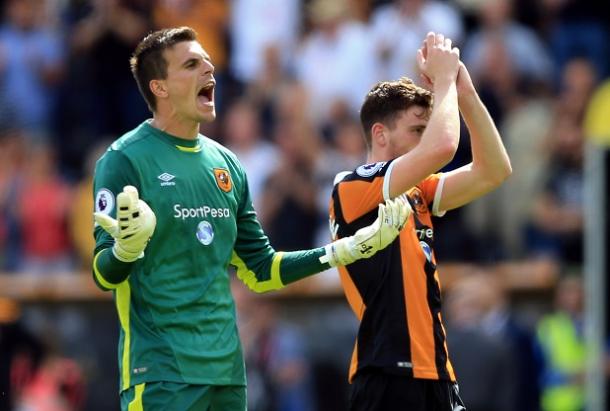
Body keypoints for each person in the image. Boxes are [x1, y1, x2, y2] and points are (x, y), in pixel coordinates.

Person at [91, 26, 411, 411]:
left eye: (208, 61)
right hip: (161, 373)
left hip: (227, 374)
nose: (209, 69)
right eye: (192, 64)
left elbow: (261, 269)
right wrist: (125, 250)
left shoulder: (227, 165)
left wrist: (347, 249)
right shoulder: (123, 160)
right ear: (159, 87)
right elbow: (103, 273)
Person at [328, 32, 512, 410]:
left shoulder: (417, 191)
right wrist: (443, 80)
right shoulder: (354, 186)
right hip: (387, 374)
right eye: (416, 131)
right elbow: (443, 147)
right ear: (380, 134)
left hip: (437, 373)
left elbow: (494, 171)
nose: (424, 140)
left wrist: (466, 96)